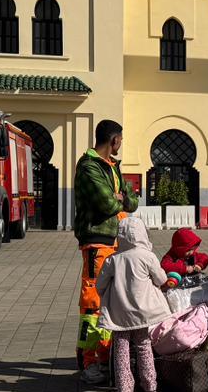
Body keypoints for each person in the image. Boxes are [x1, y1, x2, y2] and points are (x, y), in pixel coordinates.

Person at [73, 120, 138, 384]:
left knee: (112, 302)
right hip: (97, 242)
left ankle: (104, 356)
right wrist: (118, 197)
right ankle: (90, 361)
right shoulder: (89, 166)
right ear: (114, 140)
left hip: (115, 241)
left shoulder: (112, 166)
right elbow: (107, 203)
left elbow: (131, 200)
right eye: (120, 139)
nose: (121, 144)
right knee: (93, 303)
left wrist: (122, 197)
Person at [97, 216, 172, 392]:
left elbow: (100, 284)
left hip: (119, 313)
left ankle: (124, 387)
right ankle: (150, 385)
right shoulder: (148, 257)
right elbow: (161, 279)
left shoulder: (113, 259)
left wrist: (107, 294)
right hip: (142, 312)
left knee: (121, 350)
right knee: (144, 346)